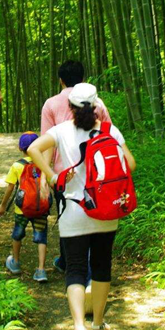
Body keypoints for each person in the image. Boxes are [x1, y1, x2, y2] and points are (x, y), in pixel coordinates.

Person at [28, 83, 136, 330]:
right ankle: (97, 324)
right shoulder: (110, 130)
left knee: (75, 269)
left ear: (71, 107)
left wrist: (52, 176)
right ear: (97, 105)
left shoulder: (61, 130)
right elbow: (131, 164)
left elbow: (34, 149)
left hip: (74, 211)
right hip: (106, 211)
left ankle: (79, 329)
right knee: (101, 266)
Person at [40, 60, 111, 275]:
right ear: (83, 79)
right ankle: (86, 265)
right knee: (93, 212)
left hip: (64, 173)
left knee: (66, 215)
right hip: (96, 170)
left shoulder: (51, 104)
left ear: (60, 80)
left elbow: (46, 143)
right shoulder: (97, 103)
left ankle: (70, 263)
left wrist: (45, 176)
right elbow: (108, 136)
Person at [0, 132, 49, 283]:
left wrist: (3, 205)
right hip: (41, 208)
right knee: (41, 238)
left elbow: (10, 188)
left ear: (20, 148)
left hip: (22, 209)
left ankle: (15, 263)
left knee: (17, 234)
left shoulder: (17, 166)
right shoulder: (43, 163)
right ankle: (41, 270)